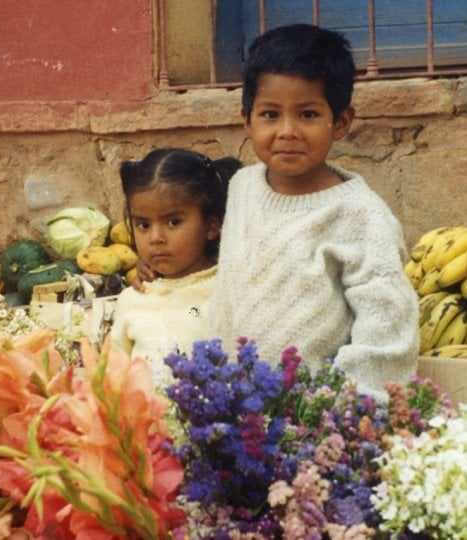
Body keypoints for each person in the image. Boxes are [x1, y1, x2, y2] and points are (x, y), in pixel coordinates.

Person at [208, 23, 420, 400]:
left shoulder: (360, 216)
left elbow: (387, 326)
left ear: (340, 122)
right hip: (229, 406)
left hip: (311, 418)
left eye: (307, 114)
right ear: (246, 120)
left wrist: (350, 412)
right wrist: (160, 282)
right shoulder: (242, 189)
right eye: (270, 115)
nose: (287, 131)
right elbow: (226, 280)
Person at [109, 148, 242, 390]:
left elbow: (194, 316)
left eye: (173, 222)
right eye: (143, 224)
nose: (155, 238)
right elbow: (113, 377)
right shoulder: (134, 300)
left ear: (211, 226)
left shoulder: (225, 290)